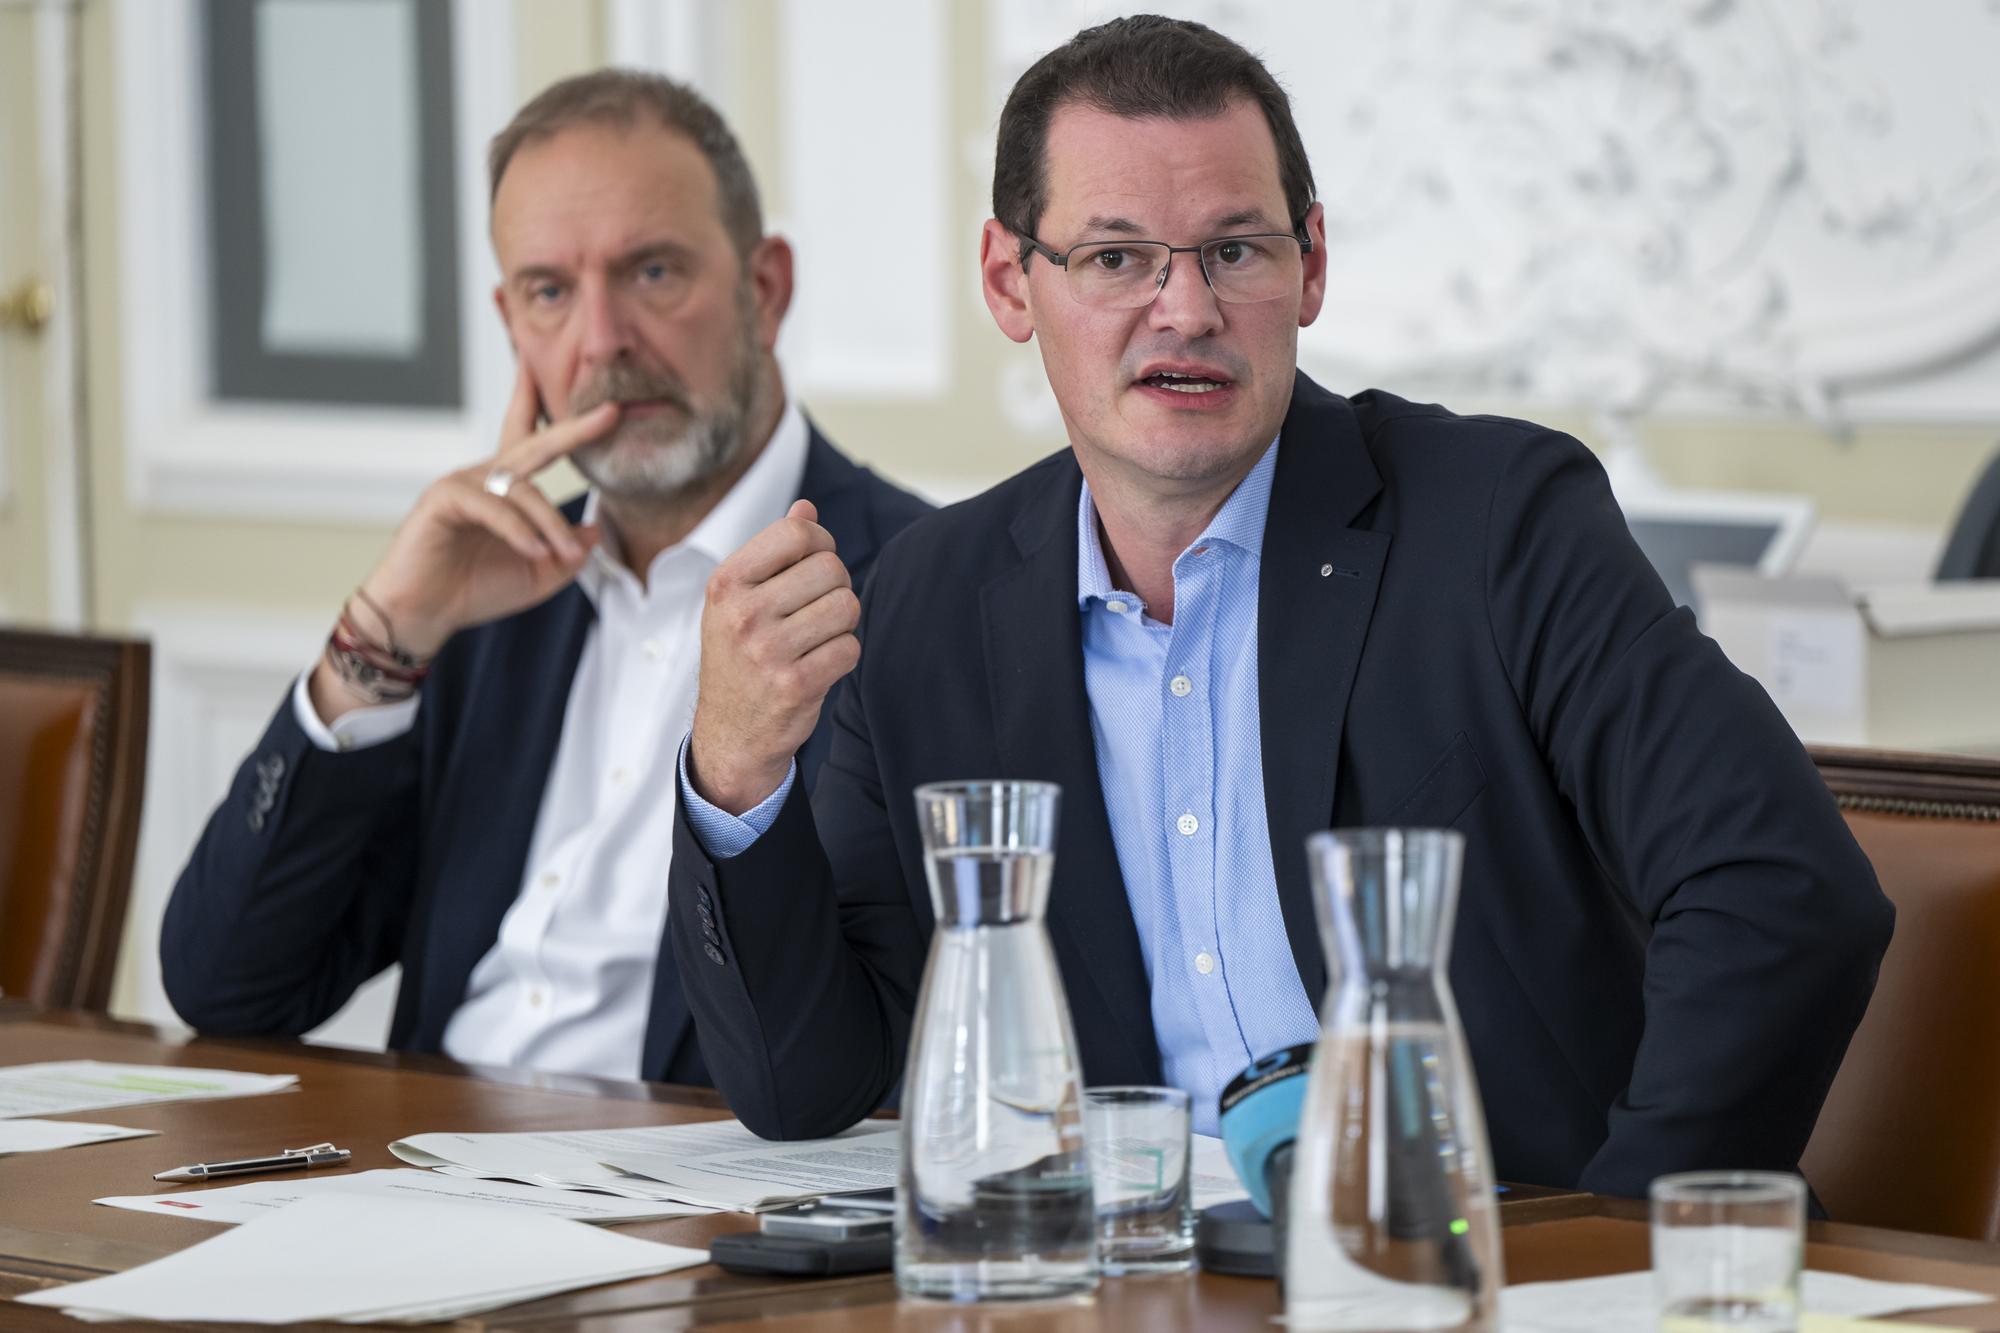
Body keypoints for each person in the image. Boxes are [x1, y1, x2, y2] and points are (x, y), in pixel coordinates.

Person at [666, 16, 1892, 1198]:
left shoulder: (1497, 523)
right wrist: (732, 771)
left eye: (1234, 250)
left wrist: (1611, 1245)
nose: (1186, 310)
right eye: (1113, 258)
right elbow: (808, 1080)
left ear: (1309, 265)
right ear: (1007, 280)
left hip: (1494, 1265)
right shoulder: (930, 602)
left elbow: (1782, 889)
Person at [161, 69, 928, 1085]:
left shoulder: (920, 590)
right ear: (510, 321)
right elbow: (226, 984)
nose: (601, 341)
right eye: (550, 292)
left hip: (699, 1197)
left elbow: (857, 1059)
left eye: (652, 272)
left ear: (764, 287)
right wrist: (383, 635)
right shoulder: (482, 594)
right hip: (423, 1172)